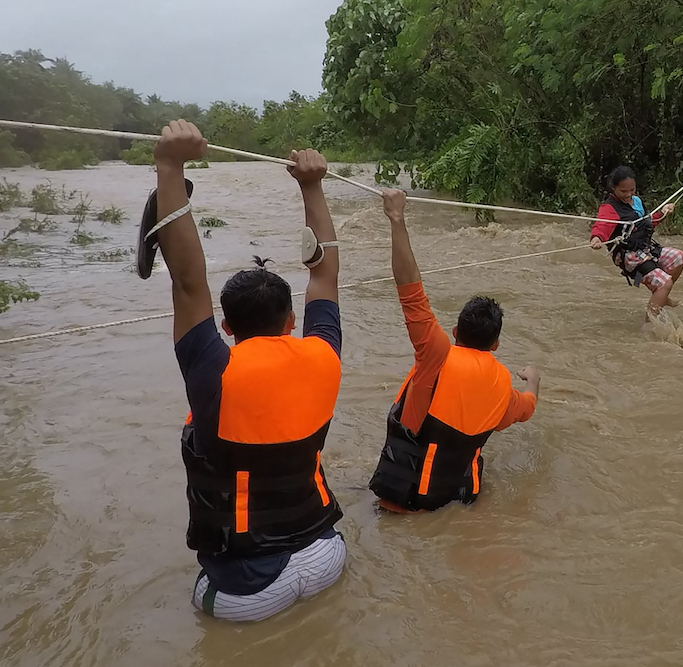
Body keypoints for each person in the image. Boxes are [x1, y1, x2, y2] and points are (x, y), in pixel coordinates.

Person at [138, 120, 347, 622]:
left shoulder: (215, 371)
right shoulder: (324, 355)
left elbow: (189, 285)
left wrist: (169, 167)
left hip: (247, 586)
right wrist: (313, 186)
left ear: (227, 326)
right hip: (325, 556)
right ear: (292, 320)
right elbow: (325, 271)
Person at [368, 189, 540, 513]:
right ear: (496, 345)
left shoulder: (436, 354)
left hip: (399, 506)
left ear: (455, 332)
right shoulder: (503, 386)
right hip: (458, 505)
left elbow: (410, 290)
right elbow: (527, 408)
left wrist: (396, 218)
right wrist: (533, 379)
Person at [589, 166, 683, 316]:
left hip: (646, 249)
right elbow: (602, 225)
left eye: (632, 190)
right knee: (665, 283)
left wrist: (663, 212)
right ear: (613, 188)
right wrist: (597, 238)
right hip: (629, 256)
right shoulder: (609, 208)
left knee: (679, 258)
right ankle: (651, 323)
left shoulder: (636, 202)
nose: (628, 194)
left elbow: (646, 223)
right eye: (623, 191)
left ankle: (661, 296)